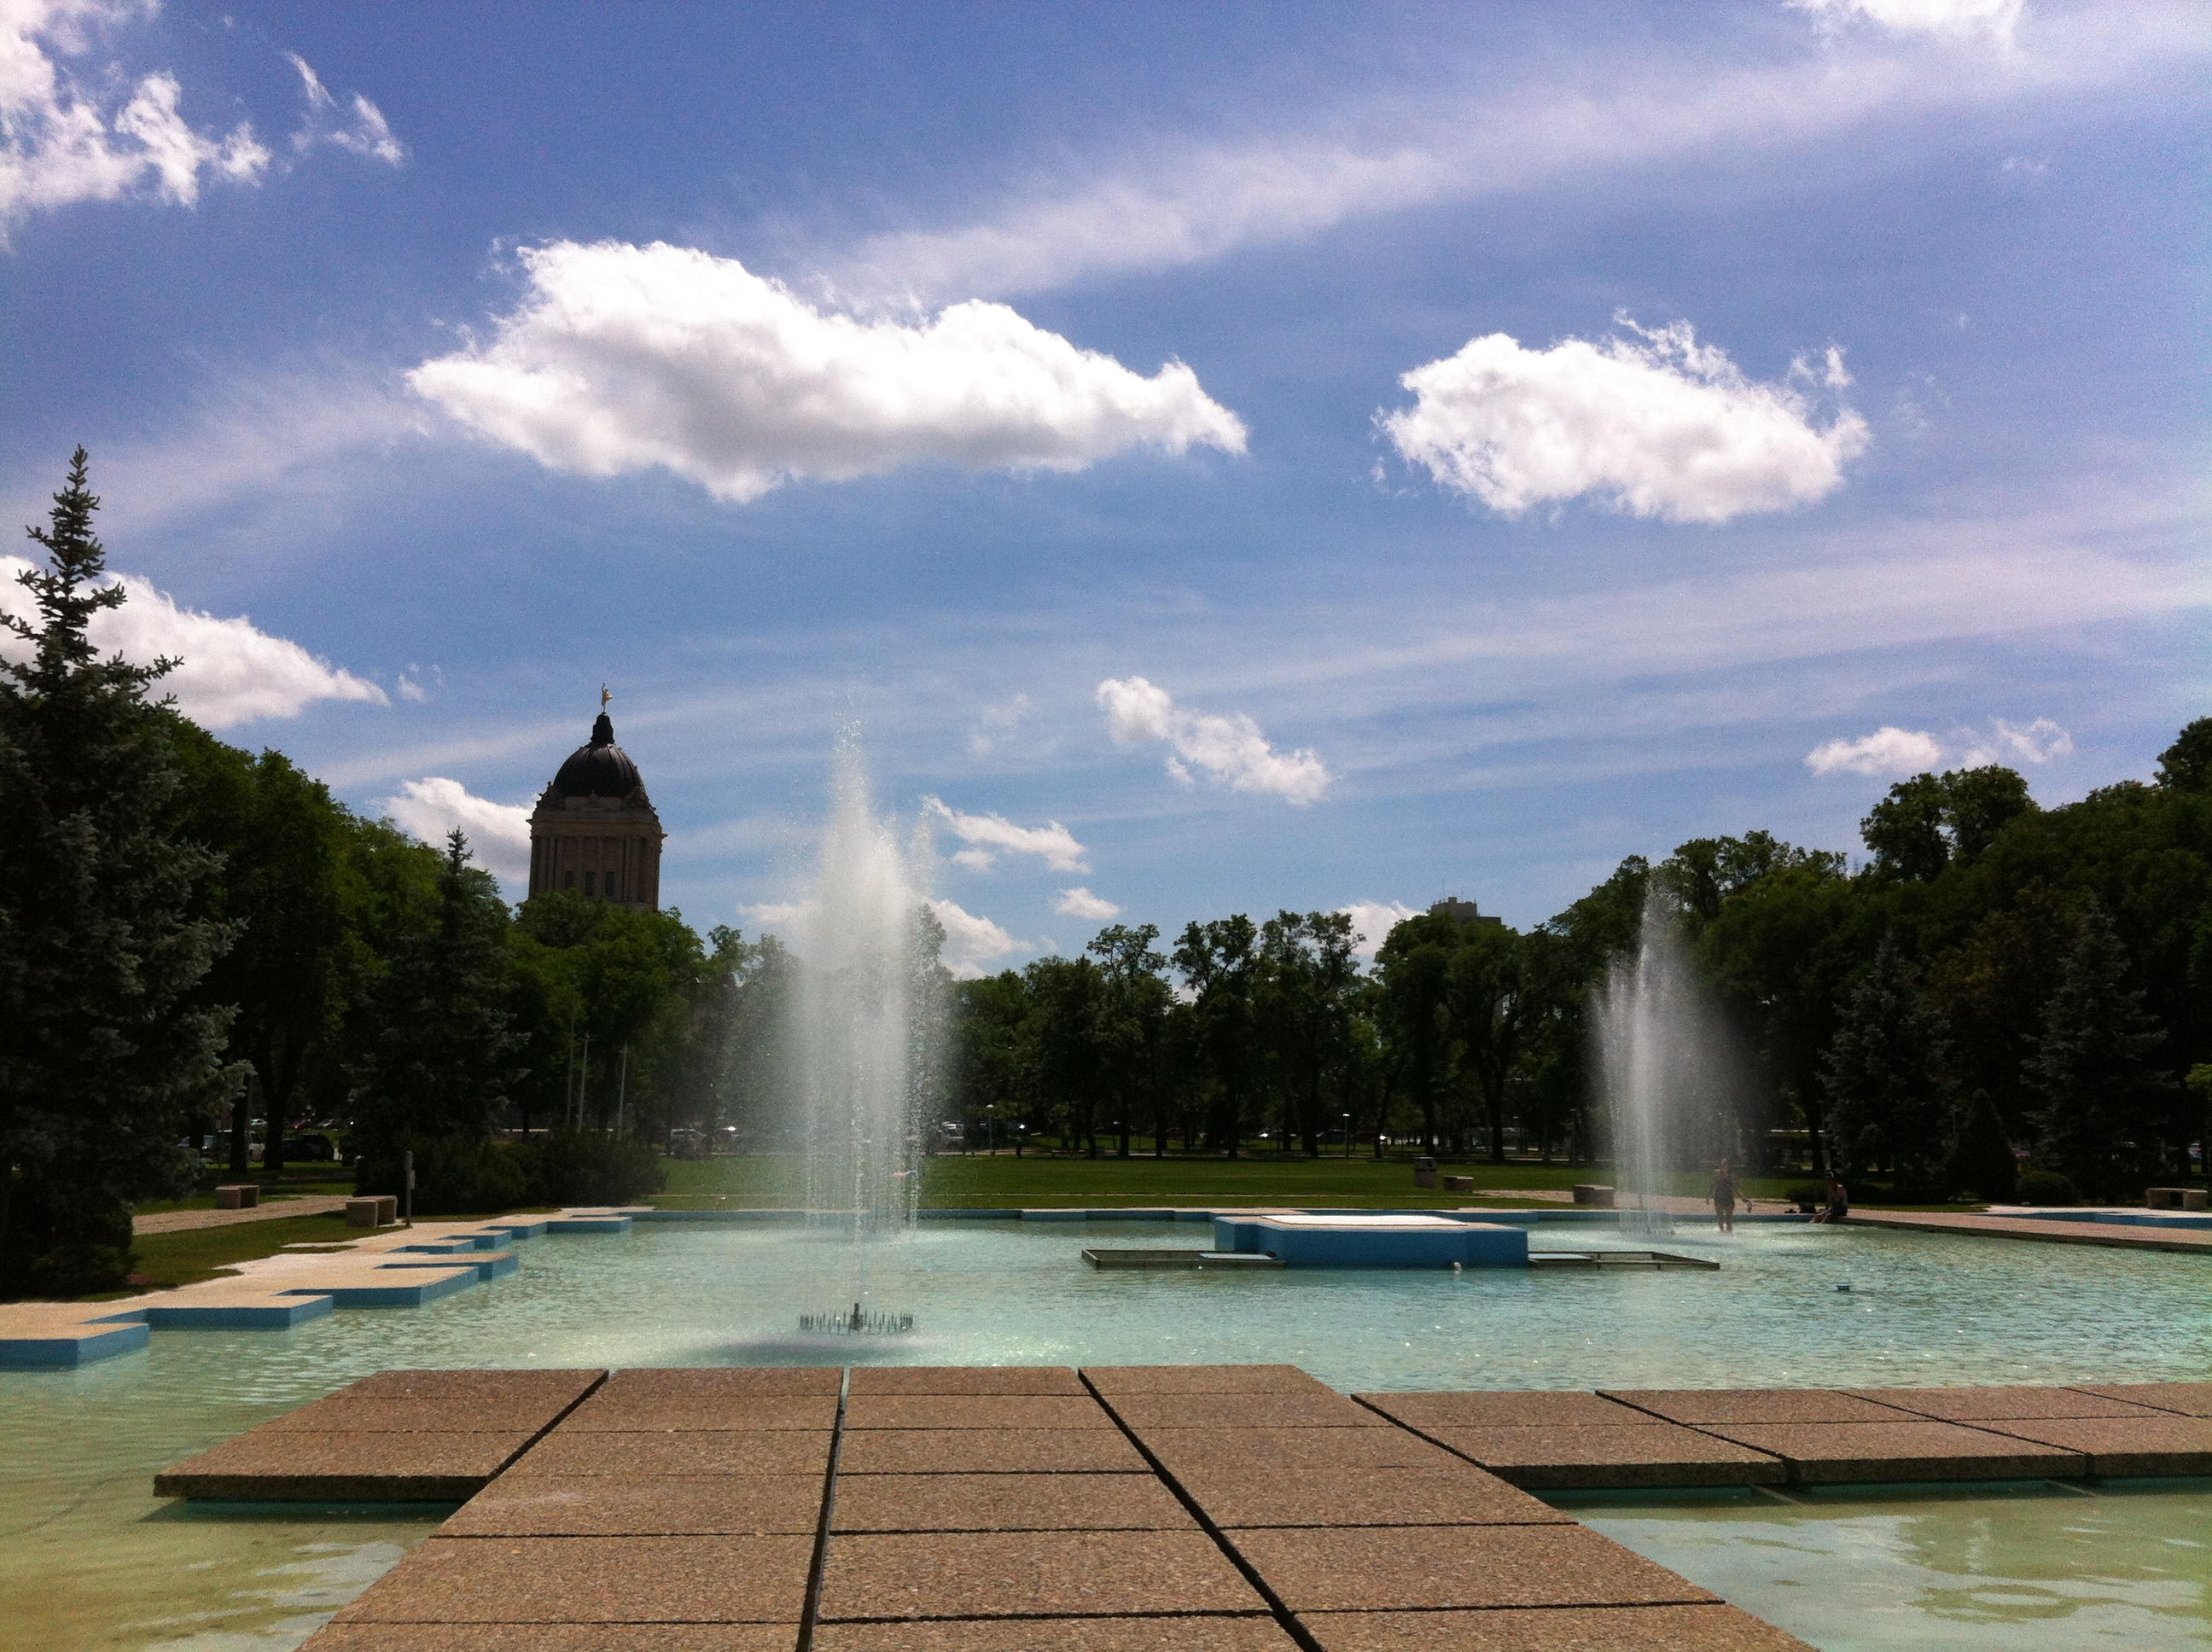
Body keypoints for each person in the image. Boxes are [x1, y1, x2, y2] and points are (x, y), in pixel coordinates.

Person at [1708, 1158, 1738, 1234]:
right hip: (1718, 1197)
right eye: (1722, 1164)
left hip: (1728, 1197)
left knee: (1729, 1218)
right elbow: (1712, 1185)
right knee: (1720, 1217)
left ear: (1728, 1165)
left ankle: (1729, 1233)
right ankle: (1721, 1231)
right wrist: (1708, 1196)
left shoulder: (1731, 1174)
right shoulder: (1716, 1174)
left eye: (1725, 1164)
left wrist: (1742, 1197)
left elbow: (1735, 1187)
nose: (1723, 1166)